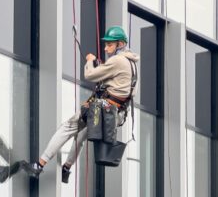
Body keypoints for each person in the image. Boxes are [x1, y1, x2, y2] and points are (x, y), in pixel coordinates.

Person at [17, 26, 138, 184]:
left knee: (67, 127)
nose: (106, 47)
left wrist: (89, 62)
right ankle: (66, 169)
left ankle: (38, 165)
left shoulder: (117, 60)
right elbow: (119, 85)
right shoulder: (132, 63)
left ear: (120, 44)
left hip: (104, 110)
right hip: (116, 114)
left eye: (110, 44)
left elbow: (89, 75)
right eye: (106, 44)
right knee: (81, 137)